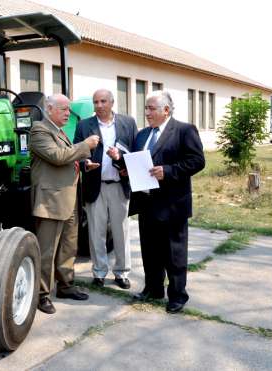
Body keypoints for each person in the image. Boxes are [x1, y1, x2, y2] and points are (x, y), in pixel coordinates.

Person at [129, 90, 205, 313]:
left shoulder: (183, 130)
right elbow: (137, 162)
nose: (147, 112)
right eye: (146, 108)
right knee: (150, 251)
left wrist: (169, 171)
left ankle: (177, 295)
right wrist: (121, 165)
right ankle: (153, 288)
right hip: (147, 202)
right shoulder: (142, 135)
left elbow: (197, 161)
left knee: (174, 253)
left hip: (173, 204)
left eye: (151, 108)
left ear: (166, 110)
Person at [29, 93, 100, 314]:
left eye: (69, 110)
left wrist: (82, 163)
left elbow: (66, 159)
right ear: (49, 109)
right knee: (47, 250)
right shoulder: (39, 130)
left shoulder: (59, 131)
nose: (68, 114)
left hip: (68, 198)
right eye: (63, 109)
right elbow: (58, 156)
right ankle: (41, 295)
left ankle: (66, 285)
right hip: (51, 200)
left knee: (69, 246)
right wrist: (85, 145)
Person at [73, 89, 137, 290]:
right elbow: (77, 153)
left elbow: (135, 152)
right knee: (96, 232)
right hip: (95, 186)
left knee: (121, 231)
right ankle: (99, 272)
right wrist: (85, 165)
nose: (99, 105)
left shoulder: (128, 123)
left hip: (119, 185)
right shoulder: (84, 125)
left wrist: (123, 162)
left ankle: (122, 272)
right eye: (95, 102)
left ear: (112, 102)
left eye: (103, 101)